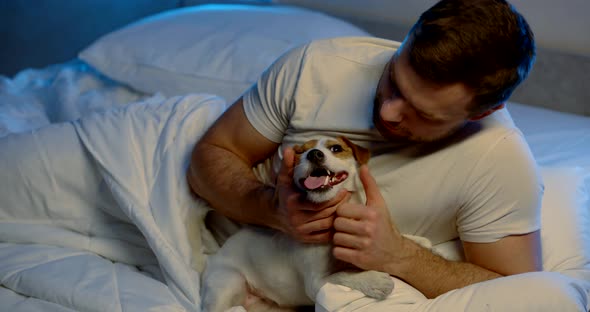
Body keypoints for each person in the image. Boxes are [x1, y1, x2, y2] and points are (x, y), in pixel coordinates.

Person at [187, 0, 542, 300]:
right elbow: (210, 155)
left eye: (422, 114)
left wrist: (402, 257)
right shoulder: (315, 69)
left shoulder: (498, 160)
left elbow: (514, 293)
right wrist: (271, 208)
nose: (388, 112)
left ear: (481, 113)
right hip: (220, 261)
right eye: (393, 80)